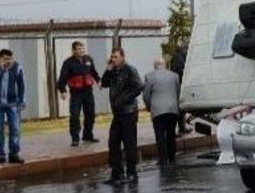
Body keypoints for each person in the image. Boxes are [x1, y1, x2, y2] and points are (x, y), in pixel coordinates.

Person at [100, 47, 143, 185]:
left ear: (123, 57)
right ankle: (116, 174)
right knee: (113, 143)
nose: (113, 59)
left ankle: (132, 173)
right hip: (117, 113)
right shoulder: (112, 71)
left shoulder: (129, 70)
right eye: (112, 57)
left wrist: (123, 99)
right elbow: (104, 83)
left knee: (129, 143)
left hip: (128, 112)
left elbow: (138, 86)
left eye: (116, 57)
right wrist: (108, 69)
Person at [0, 49, 25, 165]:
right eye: (6, 59)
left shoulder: (17, 67)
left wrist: (22, 101)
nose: (9, 61)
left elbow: (21, 85)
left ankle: (14, 154)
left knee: (15, 130)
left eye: (10, 59)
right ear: (0, 58)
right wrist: (0, 69)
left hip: (13, 104)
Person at [57, 41, 101, 146]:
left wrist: (98, 81)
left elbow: (94, 72)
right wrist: (62, 90)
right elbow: (62, 78)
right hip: (76, 93)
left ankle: (88, 135)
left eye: (82, 49)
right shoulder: (68, 63)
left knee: (90, 114)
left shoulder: (88, 59)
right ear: (73, 50)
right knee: (75, 115)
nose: (81, 51)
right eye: (79, 49)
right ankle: (75, 138)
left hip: (88, 91)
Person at [143, 58, 180, 166]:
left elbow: (146, 95)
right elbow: (177, 92)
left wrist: (149, 106)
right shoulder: (174, 76)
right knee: (171, 133)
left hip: (158, 110)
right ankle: (172, 156)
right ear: (164, 65)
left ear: (155, 66)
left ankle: (163, 158)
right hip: (172, 109)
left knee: (160, 135)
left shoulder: (149, 76)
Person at [169, 41, 191, 136]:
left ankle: (182, 127)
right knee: (179, 109)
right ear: (184, 49)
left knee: (181, 108)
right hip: (179, 85)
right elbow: (179, 71)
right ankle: (180, 128)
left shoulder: (178, 57)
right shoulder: (179, 58)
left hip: (178, 85)